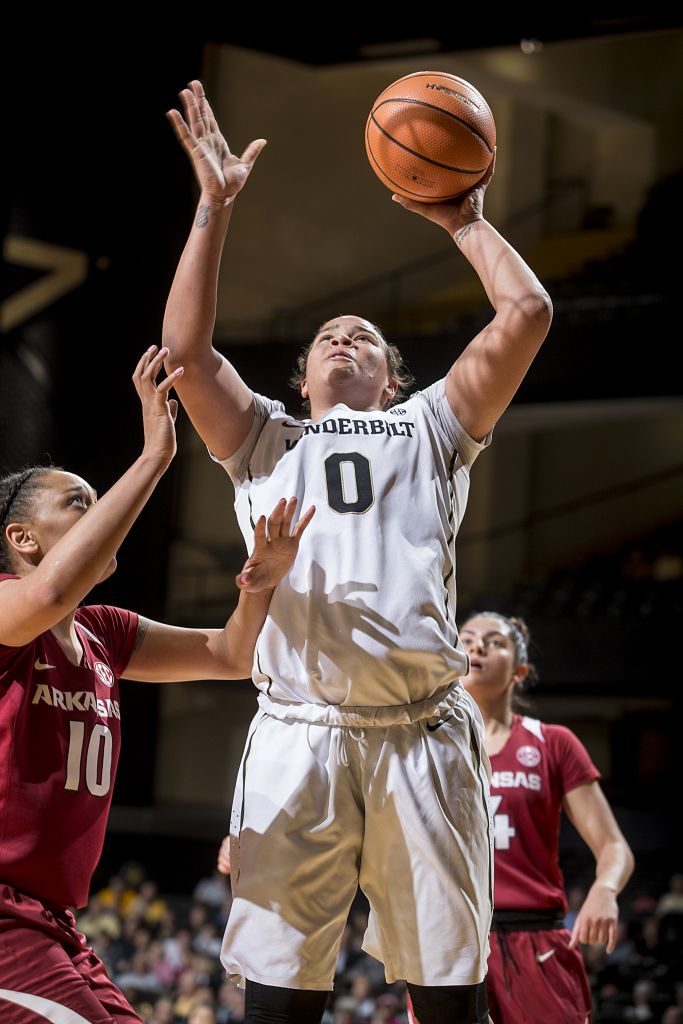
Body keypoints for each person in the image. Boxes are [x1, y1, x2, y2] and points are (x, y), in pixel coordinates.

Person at [163, 78, 554, 1024]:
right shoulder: (266, 439)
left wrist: (463, 219)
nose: (344, 337)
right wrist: (213, 210)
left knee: (448, 996)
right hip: (300, 730)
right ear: (300, 380)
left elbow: (527, 313)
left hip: (422, 731)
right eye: (327, 336)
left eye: (365, 337)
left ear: (392, 379)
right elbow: (186, 355)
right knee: (279, 999)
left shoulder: (433, 427)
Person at [0, 346, 313, 1024]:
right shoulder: (4, 607)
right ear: (22, 538)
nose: (102, 514)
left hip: (53, 922)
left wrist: (260, 582)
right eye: (79, 503)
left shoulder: (103, 631)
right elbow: (47, 593)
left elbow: (231, 654)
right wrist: (153, 456)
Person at [458, 611, 635, 1024]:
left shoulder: (553, 743)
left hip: (536, 938)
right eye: (466, 639)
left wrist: (605, 889)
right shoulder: (426, 745)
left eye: (494, 641)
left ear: (520, 671)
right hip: (452, 943)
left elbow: (614, 846)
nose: (477, 646)